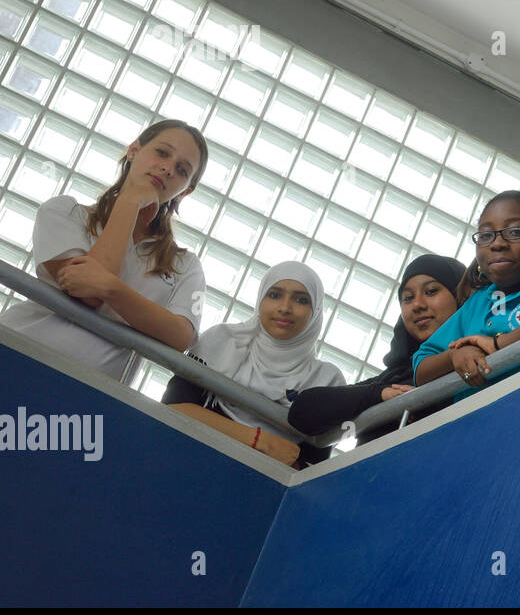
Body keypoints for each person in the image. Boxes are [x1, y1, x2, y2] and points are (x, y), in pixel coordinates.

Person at [0, 119, 208, 383]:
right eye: (162, 153)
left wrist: (111, 288)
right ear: (133, 150)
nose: (167, 168)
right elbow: (85, 293)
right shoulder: (65, 212)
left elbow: (181, 337)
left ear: (185, 190)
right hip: (13, 354)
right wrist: (130, 201)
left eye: (181, 170)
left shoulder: (186, 265)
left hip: (90, 399)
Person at [163, 261, 345, 462]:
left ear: (316, 311)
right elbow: (173, 407)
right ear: (260, 300)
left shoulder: (326, 380)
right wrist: (259, 441)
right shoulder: (222, 341)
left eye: (301, 300)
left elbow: (309, 467)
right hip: (186, 460)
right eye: (274, 295)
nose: (285, 308)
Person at [413, 191, 520, 395]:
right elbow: (422, 366)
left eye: (514, 231)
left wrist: (496, 344)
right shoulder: (478, 302)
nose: (497, 243)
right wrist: (454, 355)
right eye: (485, 235)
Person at [286, 254, 466, 443]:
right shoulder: (393, 380)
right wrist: (379, 395)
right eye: (407, 298)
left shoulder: (479, 359)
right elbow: (302, 412)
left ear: (460, 296)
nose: (417, 305)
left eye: (430, 291)